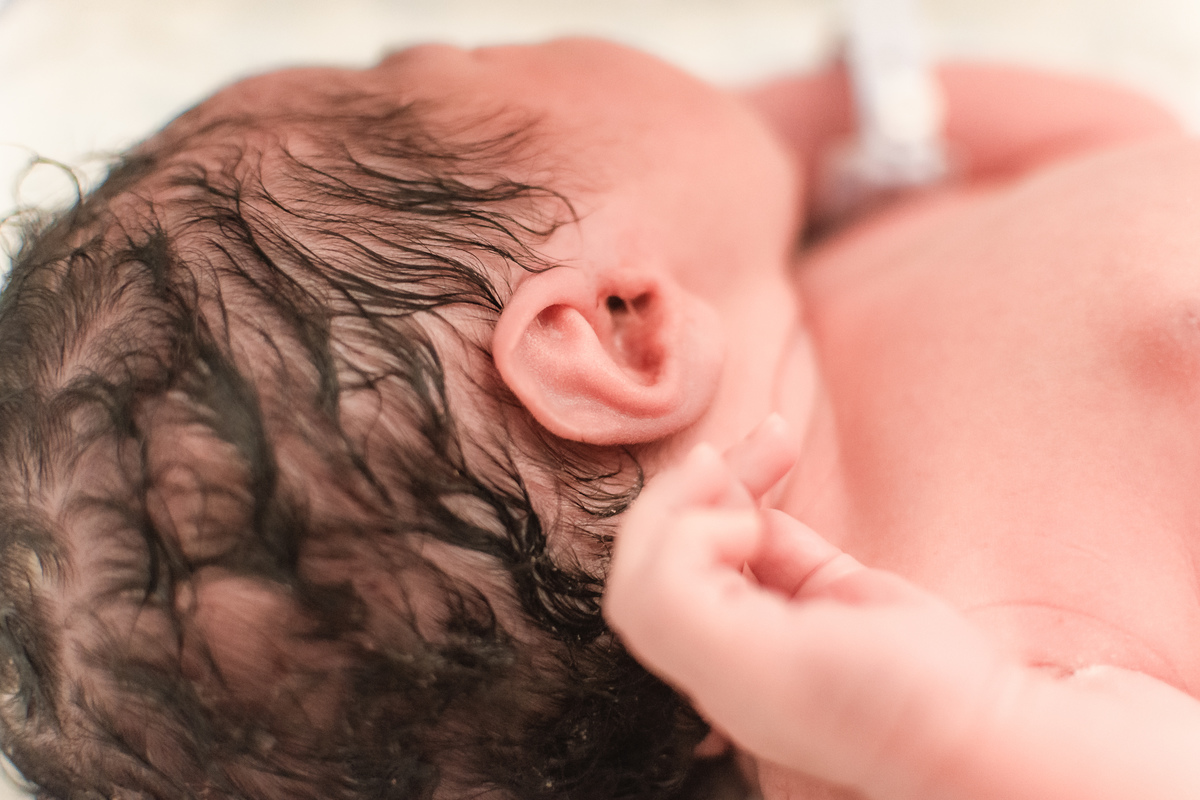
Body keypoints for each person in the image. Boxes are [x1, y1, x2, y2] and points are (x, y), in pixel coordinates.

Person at [0, 35, 1194, 800]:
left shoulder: (814, 285)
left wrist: (829, 116)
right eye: (448, 61)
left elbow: (1101, 140)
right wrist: (950, 730)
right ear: (617, 332)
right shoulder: (920, 699)